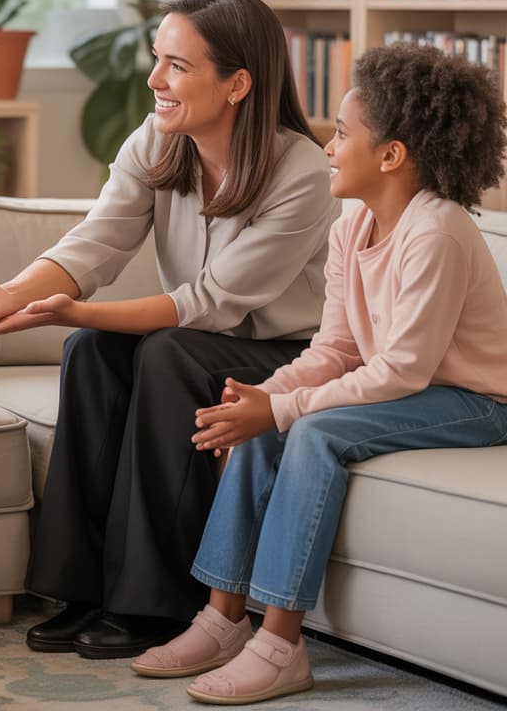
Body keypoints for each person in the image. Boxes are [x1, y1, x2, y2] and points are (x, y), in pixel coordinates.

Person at [0, 0, 341, 658]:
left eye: (177, 66)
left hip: (288, 353)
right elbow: (97, 242)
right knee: (91, 348)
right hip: (200, 342)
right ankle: (80, 591)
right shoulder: (159, 139)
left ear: (237, 84)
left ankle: (156, 603)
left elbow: (213, 302)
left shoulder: (302, 171)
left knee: (165, 352)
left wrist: (73, 308)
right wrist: (13, 295)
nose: (154, 80)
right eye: (156, 59)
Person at [134, 42, 507, 705]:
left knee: (312, 431)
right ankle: (223, 620)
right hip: (414, 389)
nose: (327, 148)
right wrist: (263, 399)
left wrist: (284, 411)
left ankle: (280, 646)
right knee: (265, 427)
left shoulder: (437, 232)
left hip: (477, 401)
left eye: (341, 133)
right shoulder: (350, 228)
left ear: (391, 155)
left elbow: (402, 369)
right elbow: (333, 349)